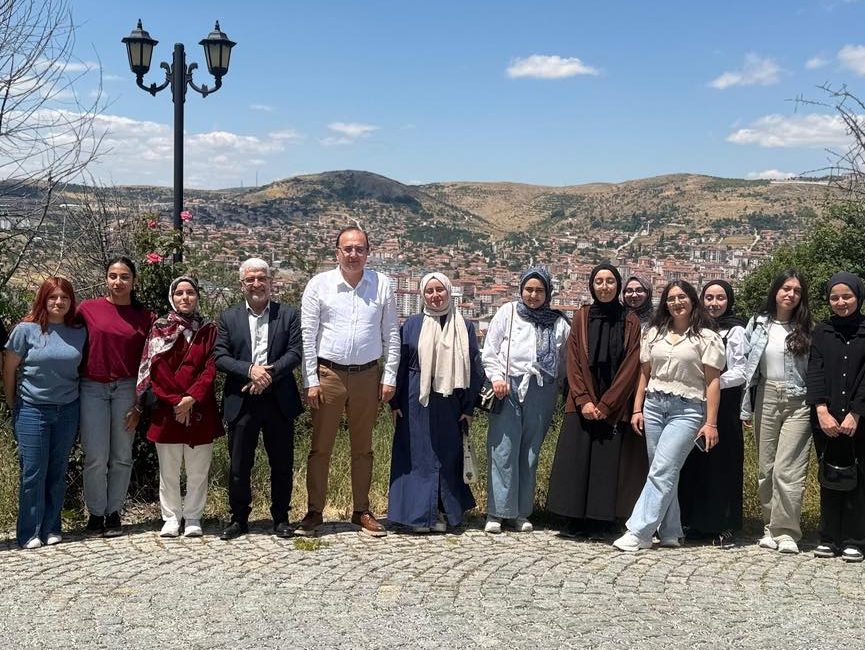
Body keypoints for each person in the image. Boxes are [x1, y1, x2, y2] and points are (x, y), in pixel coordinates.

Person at [298, 226, 400, 537]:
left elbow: (391, 334)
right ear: (337, 253)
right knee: (320, 448)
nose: (353, 254)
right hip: (328, 374)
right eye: (347, 249)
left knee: (363, 448)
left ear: (368, 252)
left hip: (368, 375)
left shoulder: (381, 284)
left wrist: (390, 375)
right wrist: (310, 379)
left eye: (359, 249)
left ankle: (361, 510)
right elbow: (307, 336)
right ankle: (315, 511)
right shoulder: (319, 285)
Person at [613, 280, 725, 552]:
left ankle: (638, 530)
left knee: (662, 469)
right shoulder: (653, 334)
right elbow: (645, 373)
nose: (677, 302)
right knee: (662, 472)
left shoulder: (707, 337)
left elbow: (712, 382)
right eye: (671, 298)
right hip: (654, 405)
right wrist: (637, 408)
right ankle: (671, 530)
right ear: (664, 303)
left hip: (687, 410)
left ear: (692, 301)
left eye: (682, 297)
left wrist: (711, 423)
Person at [546, 263, 642, 537]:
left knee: (606, 463)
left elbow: (630, 366)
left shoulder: (630, 320)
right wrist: (585, 400)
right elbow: (574, 360)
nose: (604, 286)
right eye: (599, 281)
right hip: (582, 400)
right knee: (576, 460)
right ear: (591, 285)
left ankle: (601, 520)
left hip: (613, 401)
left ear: (618, 285)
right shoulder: (581, 316)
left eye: (610, 281)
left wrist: (606, 404)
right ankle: (573, 518)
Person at [214, 258, 303, 540]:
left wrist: (267, 374)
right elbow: (220, 356)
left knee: (282, 463)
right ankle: (238, 519)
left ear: (270, 282)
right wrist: (249, 370)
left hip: (279, 400)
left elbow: (295, 353)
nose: (256, 284)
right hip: (242, 399)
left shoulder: (287, 315)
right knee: (240, 464)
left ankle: (281, 518)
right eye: (250, 279)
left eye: (261, 278)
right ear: (242, 284)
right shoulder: (229, 318)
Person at [389, 272, 483, 532]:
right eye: (429, 291)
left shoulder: (464, 326)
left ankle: (442, 513)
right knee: (416, 457)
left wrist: (468, 407)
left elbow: (474, 368)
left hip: (450, 401)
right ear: (422, 295)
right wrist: (394, 402)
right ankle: (417, 516)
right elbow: (399, 364)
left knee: (446, 456)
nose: (435, 296)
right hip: (415, 400)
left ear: (448, 291)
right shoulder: (412, 324)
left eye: (439, 290)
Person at [482, 266, 569, 534]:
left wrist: (561, 390)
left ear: (548, 293)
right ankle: (497, 512)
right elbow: (490, 350)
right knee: (502, 449)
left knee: (530, 452)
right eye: (529, 289)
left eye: (539, 290)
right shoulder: (507, 313)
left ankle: (521, 512)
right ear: (521, 290)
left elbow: (565, 360)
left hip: (542, 389)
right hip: (506, 386)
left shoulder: (559, 323)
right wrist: (496, 377)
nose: (533, 295)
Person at [136, 276, 223, 538]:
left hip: (200, 409)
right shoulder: (159, 328)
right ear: (172, 298)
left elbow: (211, 367)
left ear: (197, 296)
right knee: (169, 470)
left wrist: (191, 399)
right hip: (167, 411)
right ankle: (171, 517)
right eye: (179, 293)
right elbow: (157, 368)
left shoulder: (209, 330)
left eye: (190, 293)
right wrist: (176, 401)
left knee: (198, 470)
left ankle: (194, 516)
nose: (185, 298)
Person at [3, 277, 86, 548]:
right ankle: (29, 531)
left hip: (67, 409)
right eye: (53, 297)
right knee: (33, 472)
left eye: (64, 297)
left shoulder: (79, 331)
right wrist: (12, 402)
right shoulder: (25, 331)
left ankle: (52, 527)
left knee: (57, 471)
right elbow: (9, 369)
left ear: (71, 301)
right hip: (31, 410)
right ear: (43, 299)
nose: (58, 302)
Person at [77, 256, 154, 537]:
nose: (118, 282)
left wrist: (140, 404)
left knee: (122, 455)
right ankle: (95, 514)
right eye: (113, 276)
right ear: (105, 279)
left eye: (124, 277)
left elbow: (150, 363)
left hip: (127, 389)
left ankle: (114, 513)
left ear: (134, 281)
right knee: (96, 455)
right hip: (92, 388)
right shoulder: (87, 310)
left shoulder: (146, 317)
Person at [741, 269, 812, 554]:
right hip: (766, 396)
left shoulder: (807, 327)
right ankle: (769, 526)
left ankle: (787, 531)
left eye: (796, 290)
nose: (790, 294)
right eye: (785, 288)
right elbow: (747, 367)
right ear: (775, 291)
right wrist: (745, 407)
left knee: (789, 469)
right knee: (766, 467)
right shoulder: (758, 324)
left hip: (799, 400)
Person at [678, 280, 748, 545]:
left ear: (728, 300)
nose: (714, 303)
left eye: (720, 298)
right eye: (709, 297)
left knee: (722, 464)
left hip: (724, 405)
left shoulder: (736, 330)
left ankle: (722, 523)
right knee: (695, 464)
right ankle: (694, 521)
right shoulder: (695, 328)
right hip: (695, 402)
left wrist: (712, 385)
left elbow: (741, 371)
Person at [807, 272, 865, 562]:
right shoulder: (822, 331)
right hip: (826, 418)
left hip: (860, 419)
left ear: (858, 296)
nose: (841, 302)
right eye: (834, 297)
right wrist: (820, 410)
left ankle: (855, 539)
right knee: (830, 475)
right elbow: (814, 371)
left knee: (859, 477)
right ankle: (828, 537)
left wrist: (856, 412)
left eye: (847, 296)